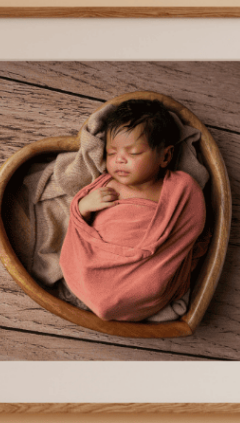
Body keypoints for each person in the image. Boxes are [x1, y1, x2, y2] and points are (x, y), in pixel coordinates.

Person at [59, 99, 207, 323]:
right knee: (83, 270)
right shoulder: (105, 184)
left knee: (154, 282)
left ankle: (131, 298)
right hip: (96, 264)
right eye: (111, 152)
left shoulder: (180, 189)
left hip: (143, 275)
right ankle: (99, 295)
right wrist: (84, 206)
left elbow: (188, 230)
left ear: (165, 156)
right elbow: (78, 222)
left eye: (134, 153)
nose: (119, 159)